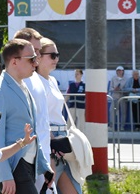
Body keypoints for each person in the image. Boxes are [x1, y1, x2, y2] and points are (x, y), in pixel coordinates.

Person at [0, 39, 53, 194]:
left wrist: (43, 166)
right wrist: (4, 175)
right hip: (13, 167)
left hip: (26, 166)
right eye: (31, 59)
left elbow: (31, 132)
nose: (36, 63)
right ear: (14, 61)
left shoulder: (22, 86)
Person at [36, 37, 81, 193]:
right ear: (38, 56)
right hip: (49, 141)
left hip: (62, 140)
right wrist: (51, 143)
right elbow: (39, 116)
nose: (56, 59)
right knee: (49, 188)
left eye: (57, 55)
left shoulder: (53, 80)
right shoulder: (34, 82)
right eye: (52, 55)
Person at [16, 27, 52, 193]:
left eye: (39, 50)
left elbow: (42, 120)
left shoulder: (35, 77)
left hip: (41, 158)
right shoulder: (17, 80)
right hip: (26, 160)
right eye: (34, 50)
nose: (38, 55)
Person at [110, 65, 128, 130]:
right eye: (118, 70)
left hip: (122, 96)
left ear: (123, 71)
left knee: (123, 112)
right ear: (116, 71)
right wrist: (114, 89)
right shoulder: (113, 78)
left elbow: (127, 88)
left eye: (121, 70)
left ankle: (122, 126)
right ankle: (112, 126)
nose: (120, 72)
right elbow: (111, 87)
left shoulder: (126, 79)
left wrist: (121, 89)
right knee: (112, 111)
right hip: (115, 96)